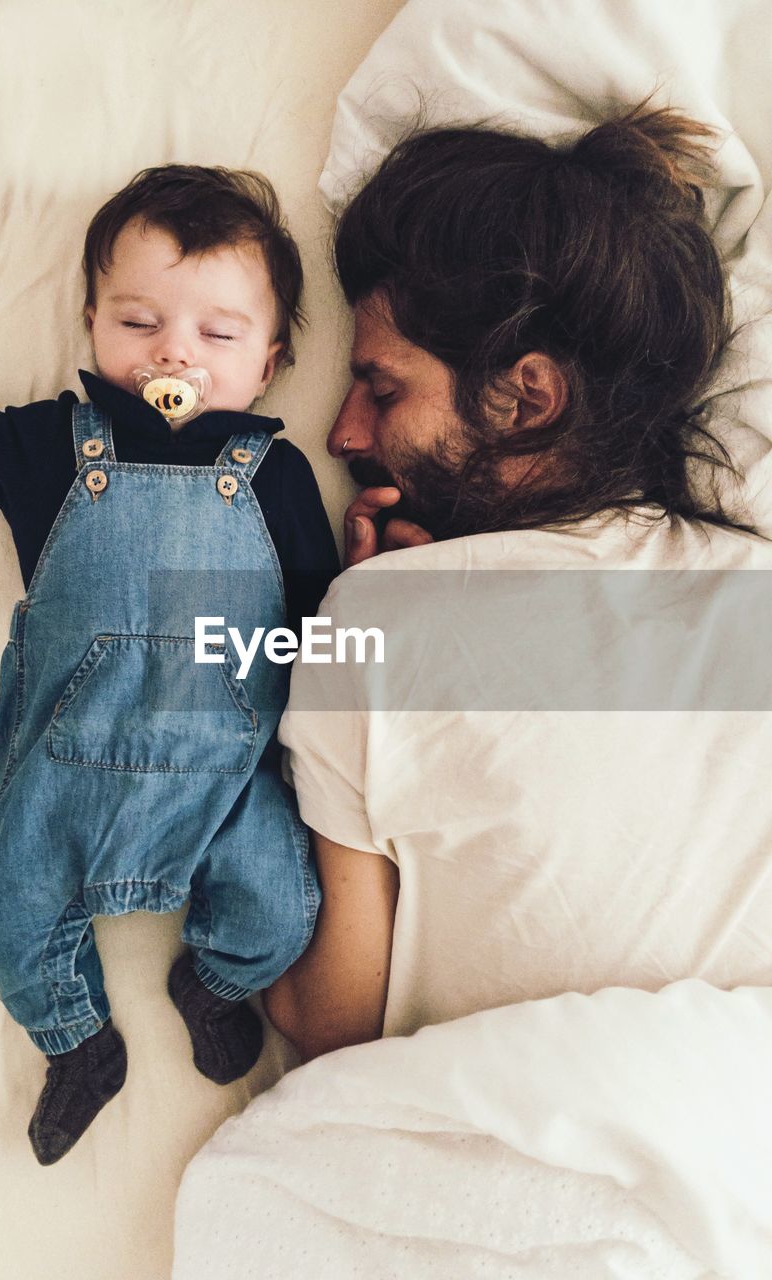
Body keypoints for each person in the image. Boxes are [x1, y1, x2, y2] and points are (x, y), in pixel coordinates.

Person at [0, 165, 337, 1163]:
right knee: (5, 905)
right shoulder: (56, 446)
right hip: (66, 766)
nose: (175, 352)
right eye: (139, 320)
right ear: (91, 326)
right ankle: (76, 1038)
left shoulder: (274, 473)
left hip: (225, 771)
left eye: (219, 335)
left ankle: (211, 978)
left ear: (270, 363)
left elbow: (317, 615)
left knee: (282, 904)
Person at [266, 105, 772, 1061]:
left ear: (525, 398)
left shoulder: (370, 622)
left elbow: (328, 1021)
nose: (342, 436)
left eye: (383, 389)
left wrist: (354, 638)